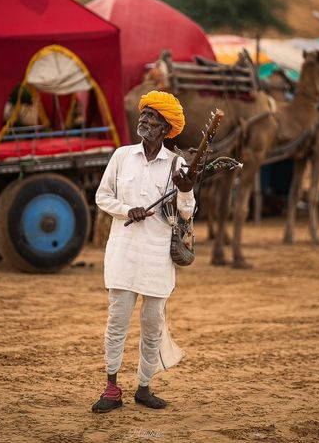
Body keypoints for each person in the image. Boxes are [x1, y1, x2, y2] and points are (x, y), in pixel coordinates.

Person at [92, 90, 195, 413]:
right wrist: (126, 210)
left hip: (157, 258)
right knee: (117, 322)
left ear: (166, 128)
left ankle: (144, 387)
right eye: (144, 114)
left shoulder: (177, 165)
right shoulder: (121, 156)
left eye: (152, 117)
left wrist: (186, 190)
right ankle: (111, 388)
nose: (145, 119)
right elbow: (102, 197)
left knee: (153, 325)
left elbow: (188, 214)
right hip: (123, 254)